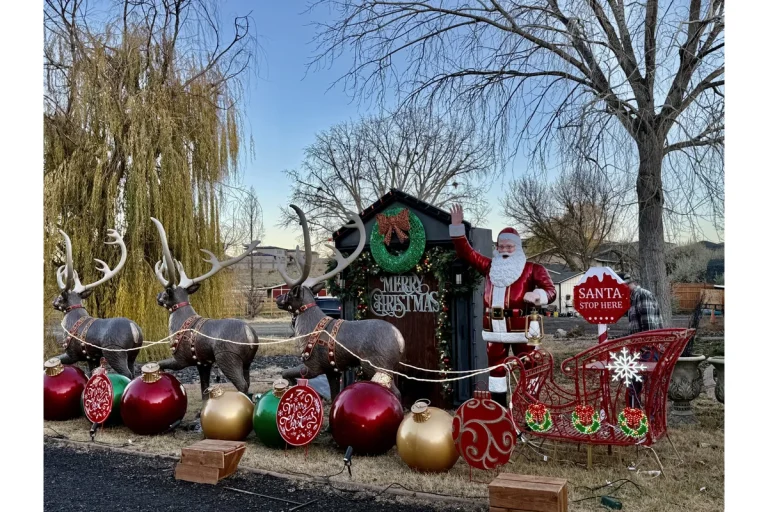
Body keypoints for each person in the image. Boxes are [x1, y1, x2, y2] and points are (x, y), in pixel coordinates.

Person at [449, 204, 556, 406]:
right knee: (496, 370)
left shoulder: (532, 269)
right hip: (495, 329)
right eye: (501, 246)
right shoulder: (490, 266)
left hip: (522, 328)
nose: (504, 250)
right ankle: (499, 408)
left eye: (509, 247)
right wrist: (457, 229)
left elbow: (551, 291)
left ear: (518, 248)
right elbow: (467, 253)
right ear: (497, 248)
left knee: (529, 366)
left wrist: (538, 295)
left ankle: (531, 409)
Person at [622, 274, 664, 407]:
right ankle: (635, 414)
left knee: (649, 388)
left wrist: (643, 348)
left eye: (624, 285)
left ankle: (651, 416)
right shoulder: (632, 298)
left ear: (631, 283)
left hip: (648, 351)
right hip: (639, 351)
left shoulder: (642, 295)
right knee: (634, 386)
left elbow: (649, 327)